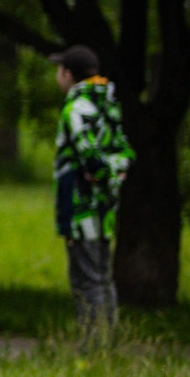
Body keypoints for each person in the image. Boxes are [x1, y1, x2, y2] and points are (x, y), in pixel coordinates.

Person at [50, 46, 132, 338]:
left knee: (86, 281)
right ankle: (108, 340)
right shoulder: (108, 105)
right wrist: (115, 176)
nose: (57, 76)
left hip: (81, 207)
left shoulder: (76, 109)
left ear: (68, 74)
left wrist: (101, 175)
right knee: (103, 278)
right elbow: (124, 153)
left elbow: (91, 158)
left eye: (59, 71)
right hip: (106, 209)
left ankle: (93, 344)